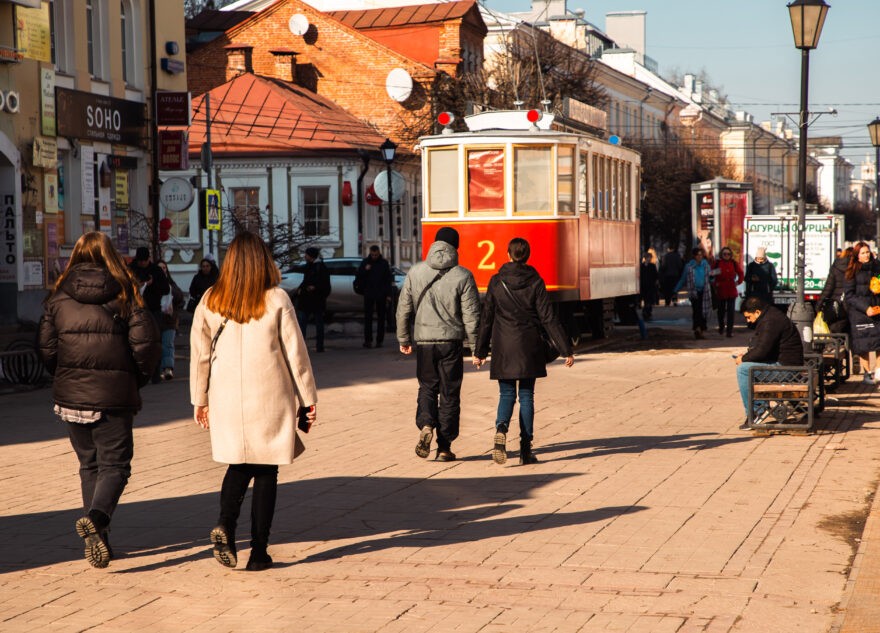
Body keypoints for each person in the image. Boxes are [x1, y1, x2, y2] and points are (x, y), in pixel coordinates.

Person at [190, 232, 318, 571]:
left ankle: (225, 525)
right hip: (270, 394)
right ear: (263, 261)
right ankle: (259, 552)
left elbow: (200, 355)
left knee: (238, 462)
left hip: (226, 395)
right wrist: (307, 398)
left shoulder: (211, 299)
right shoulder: (276, 299)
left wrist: (199, 399)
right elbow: (296, 354)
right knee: (266, 470)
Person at [37, 232, 160, 568]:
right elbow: (146, 345)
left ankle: (99, 538)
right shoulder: (125, 291)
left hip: (71, 396)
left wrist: (65, 375)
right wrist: (136, 380)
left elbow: (46, 349)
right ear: (111, 256)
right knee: (116, 465)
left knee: (89, 465)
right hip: (113, 396)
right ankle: (97, 519)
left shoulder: (59, 296)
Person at [473, 238, 574, 465]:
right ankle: (526, 450)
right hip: (529, 347)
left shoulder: (496, 281)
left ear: (508, 254)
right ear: (527, 256)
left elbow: (486, 319)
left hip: (504, 348)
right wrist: (565, 349)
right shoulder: (536, 281)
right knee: (526, 396)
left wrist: (479, 352)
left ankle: (501, 428)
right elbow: (548, 318)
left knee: (506, 394)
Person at [396, 227, 480, 462]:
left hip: (424, 343)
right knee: (450, 393)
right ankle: (444, 446)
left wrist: (404, 338)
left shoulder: (415, 272)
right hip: (451, 343)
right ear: (456, 247)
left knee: (427, 387)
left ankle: (425, 425)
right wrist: (476, 347)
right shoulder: (463, 275)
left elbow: (403, 309)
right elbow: (472, 315)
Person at [733, 297, 804, 429]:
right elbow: (764, 348)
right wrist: (748, 355)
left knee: (743, 369)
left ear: (757, 312)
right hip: (787, 365)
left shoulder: (770, 321)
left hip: (787, 370)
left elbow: (762, 351)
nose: (748, 321)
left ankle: (755, 413)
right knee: (748, 365)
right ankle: (759, 407)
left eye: (749, 317)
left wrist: (743, 359)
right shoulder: (770, 316)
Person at [128, 246, 169, 383]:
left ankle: (155, 372)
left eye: (144, 261)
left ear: (148, 260)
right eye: (140, 261)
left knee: (155, 341)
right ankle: (137, 371)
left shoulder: (156, 271)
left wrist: (152, 284)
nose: (142, 264)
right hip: (135, 310)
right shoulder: (131, 269)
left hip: (153, 309)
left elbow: (165, 288)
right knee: (135, 340)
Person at [843, 241, 880, 385]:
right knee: (863, 344)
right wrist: (865, 308)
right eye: (863, 253)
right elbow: (850, 295)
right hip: (860, 313)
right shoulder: (851, 271)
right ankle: (867, 373)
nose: (866, 255)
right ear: (857, 256)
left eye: (867, 252)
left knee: (878, 342)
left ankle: (878, 370)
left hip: (876, 310)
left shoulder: (876, 267)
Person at [356, 245, 393, 348]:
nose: (374, 256)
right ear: (370, 253)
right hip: (369, 294)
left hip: (381, 294)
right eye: (372, 255)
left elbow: (387, 280)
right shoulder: (365, 263)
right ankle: (368, 340)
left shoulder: (383, 263)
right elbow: (359, 276)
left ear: (379, 253)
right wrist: (365, 270)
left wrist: (388, 294)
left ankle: (379, 340)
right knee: (368, 318)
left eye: (376, 254)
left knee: (381, 318)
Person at [295, 247, 331, 353]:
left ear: (311, 256)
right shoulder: (310, 266)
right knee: (304, 322)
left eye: (306, 255)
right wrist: (300, 289)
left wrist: (315, 287)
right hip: (308, 300)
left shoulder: (320, 268)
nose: (304, 256)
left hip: (315, 299)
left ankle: (318, 346)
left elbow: (325, 285)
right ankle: (304, 346)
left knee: (316, 323)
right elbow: (306, 281)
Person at [674, 247, 712, 339]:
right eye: (698, 255)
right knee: (696, 311)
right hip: (694, 292)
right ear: (694, 256)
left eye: (701, 255)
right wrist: (675, 290)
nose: (700, 257)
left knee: (704, 312)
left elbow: (710, 277)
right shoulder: (689, 266)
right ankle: (697, 329)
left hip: (705, 292)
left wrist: (714, 278)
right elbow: (683, 279)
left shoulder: (705, 265)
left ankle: (701, 330)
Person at [156, 260, 185, 380]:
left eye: (164, 268)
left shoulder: (171, 284)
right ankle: (157, 370)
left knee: (167, 344)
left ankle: (168, 368)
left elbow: (180, 299)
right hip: (156, 319)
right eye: (160, 268)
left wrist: (170, 290)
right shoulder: (152, 284)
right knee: (157, 345)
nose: (162, 270)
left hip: (169, 321)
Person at [712, 246, 744, 337]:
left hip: (731, 290)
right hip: (721, 291)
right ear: (722, 255)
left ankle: (729, 331)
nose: (727, 255)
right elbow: (710, 275)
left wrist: (738, 282)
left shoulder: (733, 263)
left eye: (728, 254)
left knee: (731, 313)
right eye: (725, 254)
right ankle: (721, 326)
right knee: (721, 312)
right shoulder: (717, 263)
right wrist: (715, 284)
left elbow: (741, 273)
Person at [818, 246, 851, 334]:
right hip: (850, 306)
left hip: (837, 306)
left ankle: (834, 346)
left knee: (836, 331)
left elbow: (828, 289)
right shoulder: (856, 267)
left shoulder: (836, 266)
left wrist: (818, 306)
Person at [640, 251, 659, 321]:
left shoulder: (652, 266)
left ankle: (647, 312)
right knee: (646, 299)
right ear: (645, 258)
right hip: (643, 285)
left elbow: (656, 275)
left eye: (650, 258)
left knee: (649, 300)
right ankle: (646, 312)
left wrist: (656, 282)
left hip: (651, 285)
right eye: (648, 257)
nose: (649, 259)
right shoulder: (641, 266)